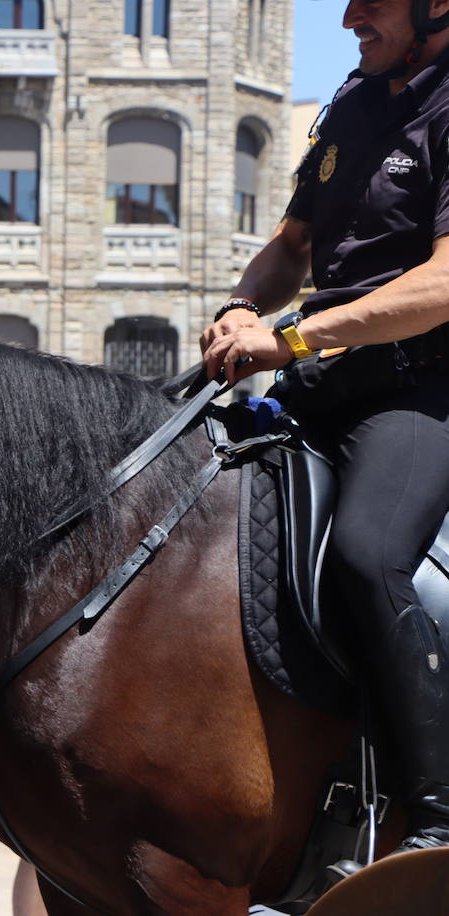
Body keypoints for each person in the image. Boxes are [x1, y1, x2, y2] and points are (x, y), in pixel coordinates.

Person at [200, 0, 449, 869]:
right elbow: (291, 246)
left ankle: (432, 818)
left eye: (372, 1)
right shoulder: (350, 103)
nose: (347, 17)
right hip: (321, 379)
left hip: (421, 391)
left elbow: (444, 285)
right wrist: (240, 304)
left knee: (365, 555)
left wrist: (292, 337)